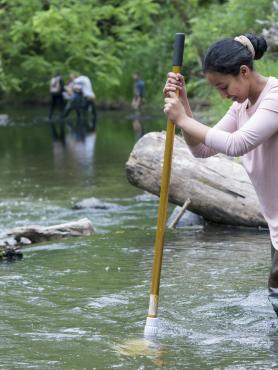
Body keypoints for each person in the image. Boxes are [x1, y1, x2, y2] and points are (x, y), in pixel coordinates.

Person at [163, 33, 278, 317]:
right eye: (217, 89)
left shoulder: (274, 97)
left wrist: (183, 118)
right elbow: (201, 149)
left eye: (223, 86)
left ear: (244, 71)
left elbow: (237, 143)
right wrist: (184, 103)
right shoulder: (241, 106)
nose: (223, 95)